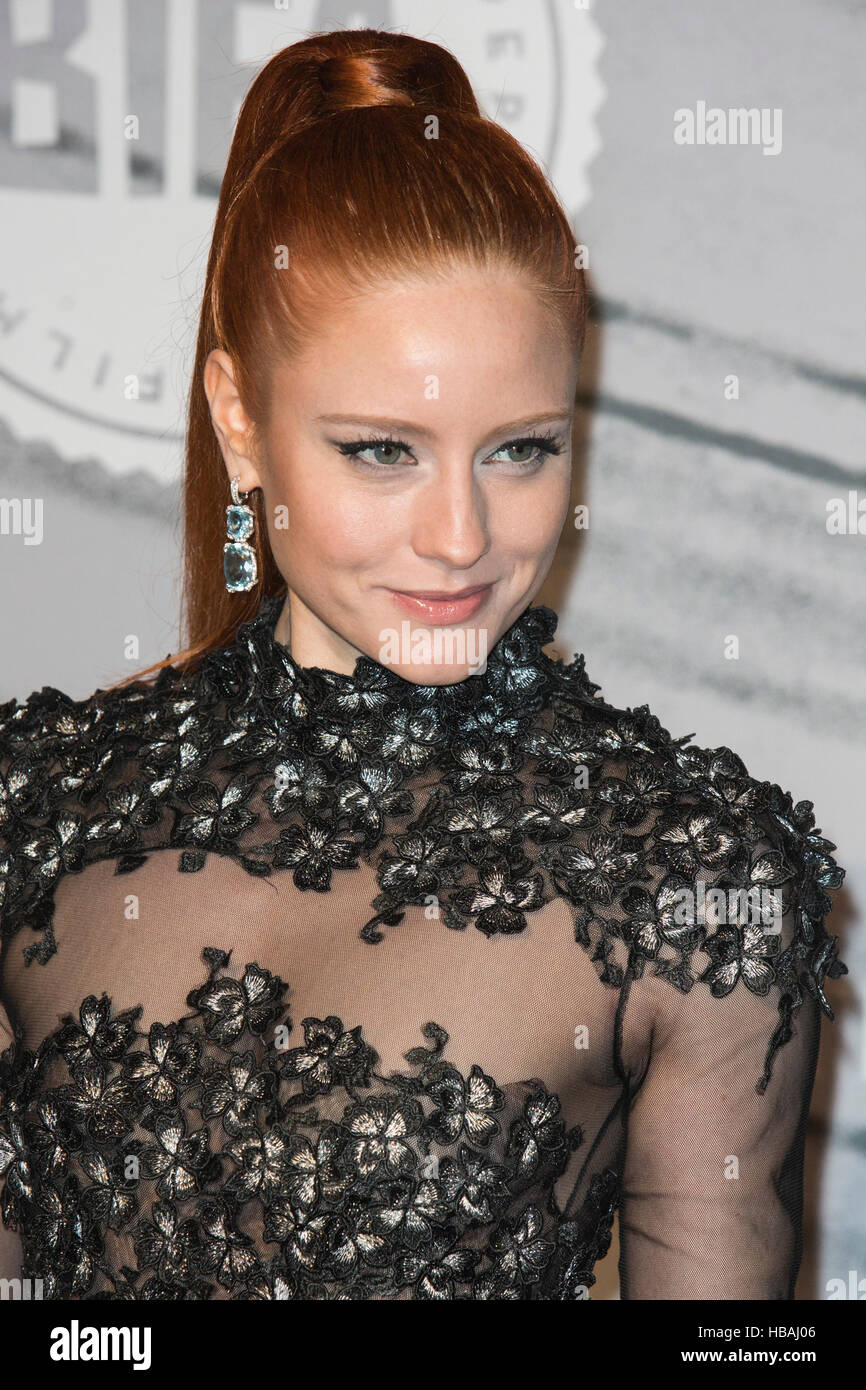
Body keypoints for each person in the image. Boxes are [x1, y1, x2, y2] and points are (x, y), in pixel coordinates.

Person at [0, 28, 846, 1301]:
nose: (463, 538)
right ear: (242, 421)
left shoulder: (689, 882)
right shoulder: (35, 803)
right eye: (381, 450)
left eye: (518, 450)